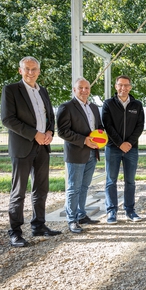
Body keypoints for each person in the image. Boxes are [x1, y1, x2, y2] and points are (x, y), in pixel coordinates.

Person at [1, 56, 62, 247]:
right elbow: (8, 119)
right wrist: (35, 134)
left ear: (39, 71)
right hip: (23, 146)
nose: (30, 72)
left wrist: (50, 131)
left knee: (41, 188)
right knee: (18, 191)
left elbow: (50, 116)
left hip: (43, 146)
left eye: (34, 69)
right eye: (27, 69)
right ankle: (15, 232)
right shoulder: (11, 90)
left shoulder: (42, 91)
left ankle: (38, 225)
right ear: (20, 71)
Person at [56, 77, 102, 233]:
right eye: (80, 88)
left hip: (92, 153)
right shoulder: (66, 107)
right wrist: (84, 141)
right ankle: (72, 219)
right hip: (76, 153)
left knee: (84, 186)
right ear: (74, 90)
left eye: (87, 88)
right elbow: (62, 131)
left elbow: (99, 128)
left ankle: (82, 215)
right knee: (74, 188)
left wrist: (102, 136)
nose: (84, 91)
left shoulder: (94, 108)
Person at [102, 75, 145, 224]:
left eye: (126, 85)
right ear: (115, 86)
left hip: (131, 149)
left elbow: (140, 126)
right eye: (120, 85)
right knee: (111, 181)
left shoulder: (137, 105)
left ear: (130, 87)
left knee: (130, 181)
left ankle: (130, 211)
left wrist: (129, 143)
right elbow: (108, 126)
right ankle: (111, 212)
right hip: (113, 148)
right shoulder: (108, 104)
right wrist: (120, 143)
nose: (123, 88)